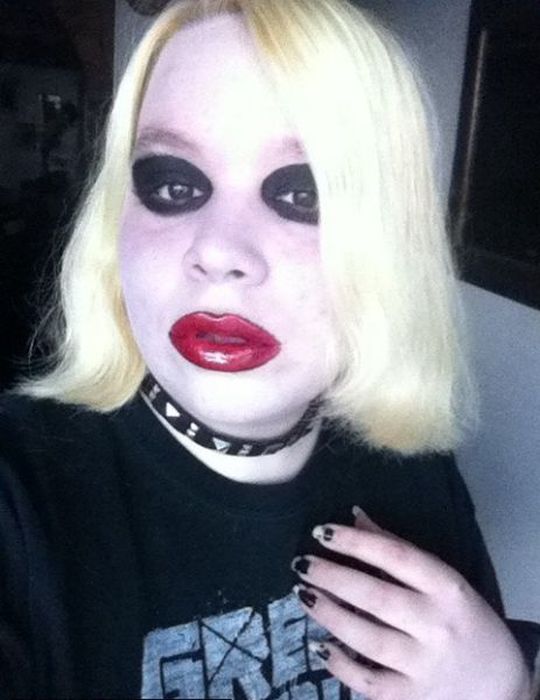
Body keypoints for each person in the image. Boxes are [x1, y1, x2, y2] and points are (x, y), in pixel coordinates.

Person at [0, 0, 535, 697]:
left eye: (302, 194)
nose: (220, 251)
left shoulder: (415, 470)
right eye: (172, 184)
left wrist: (507, 688)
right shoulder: (19, 500)